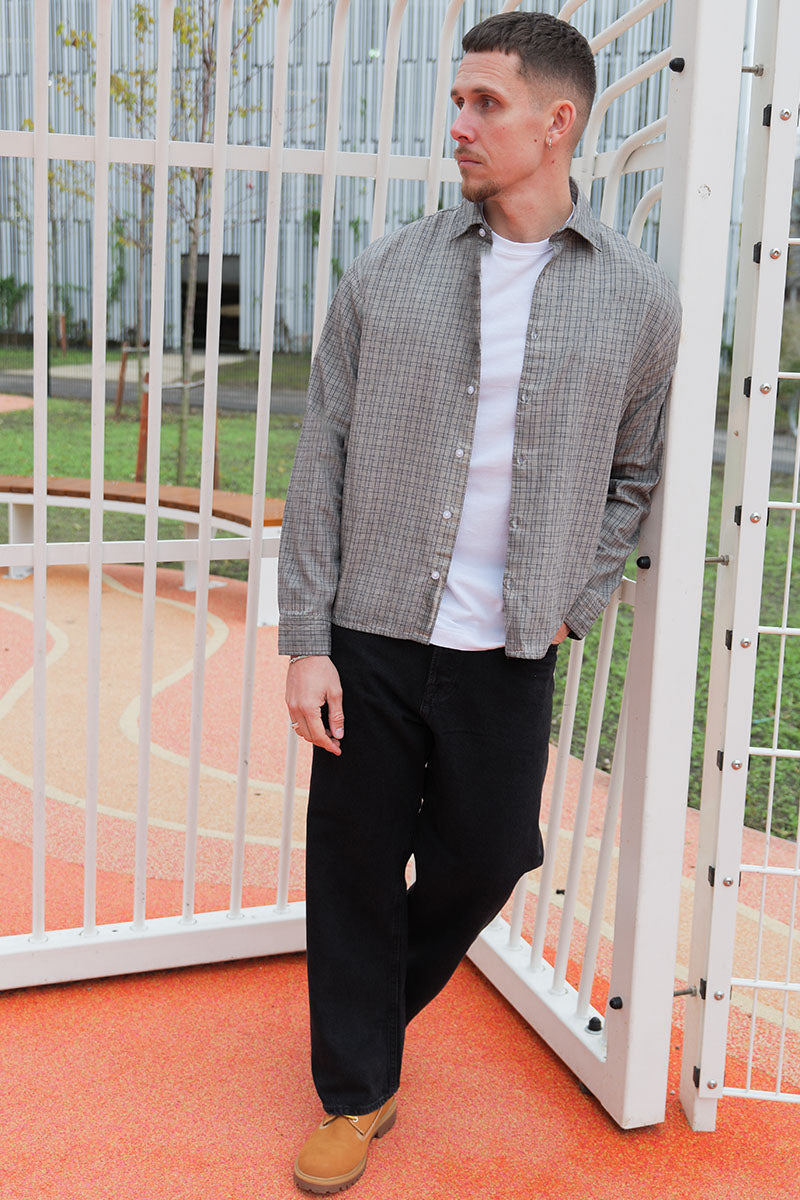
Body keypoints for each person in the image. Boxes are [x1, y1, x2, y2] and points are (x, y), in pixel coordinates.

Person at [278, 10, 681, 1194]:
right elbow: (321, 457)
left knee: (493, 853)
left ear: (557, 121)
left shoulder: (636, 302)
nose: (457, 123)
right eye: (456, 100)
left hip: (509, 643)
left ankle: (364, 1008)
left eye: (484, 103)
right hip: (371, 629)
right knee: (353, 864)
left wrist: (573, 600)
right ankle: (355, 1090)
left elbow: (636, 474)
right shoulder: (387, 272)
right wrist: (305, 640)